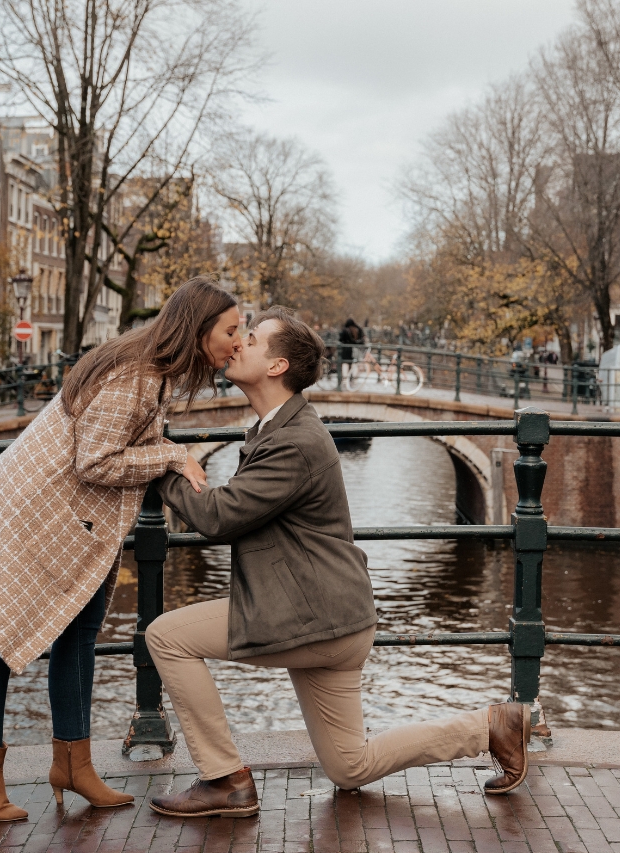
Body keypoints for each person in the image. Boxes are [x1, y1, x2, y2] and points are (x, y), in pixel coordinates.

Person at [145, 306, 530, 818]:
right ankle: (492, 727)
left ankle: (224, 780)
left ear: (277, 366)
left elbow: (218, 517)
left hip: (313, 616)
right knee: (350, 766)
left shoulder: (293, 441)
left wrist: (160, 462)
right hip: (335, 616)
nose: (238, 344)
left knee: (166, 637)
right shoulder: (278, 428)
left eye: (252, 338)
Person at [0, 276, 242, 821]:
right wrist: (173, 458)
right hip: (40, 506)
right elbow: (95, 460)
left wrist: (162, 452)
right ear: (199, 329)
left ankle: (72, 763)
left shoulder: (153, 373)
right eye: (231, 330)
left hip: (75, 514)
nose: (238, 342)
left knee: (80, 631)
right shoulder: (135, 374)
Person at [338, 318, 364, 388]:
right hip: (355, 350)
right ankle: (354, 380)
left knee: (345, 364)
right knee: (354, 365)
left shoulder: (345, 330)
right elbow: (361, 339)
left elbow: (340, 339)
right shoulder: (357, 329)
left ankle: (345, 380)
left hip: (346, 350)